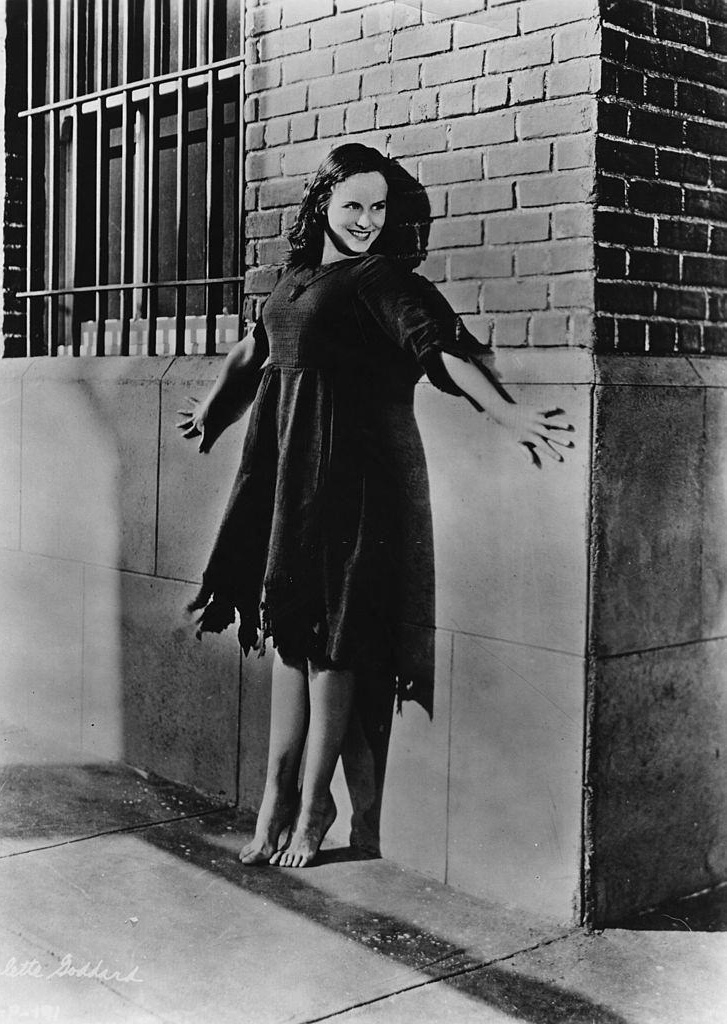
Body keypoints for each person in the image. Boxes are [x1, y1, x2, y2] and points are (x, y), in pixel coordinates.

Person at [178, 143, 572, 869]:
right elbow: (253, 348)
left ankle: (310, 809)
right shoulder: (294, 279)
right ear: (322, 204)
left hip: (347, 480)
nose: (366, 220)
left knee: (330, 644)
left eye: (379, 207)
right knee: (290, 640)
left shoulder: (380, 280)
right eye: (353, 204)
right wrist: (213, 408)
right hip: (287, 476)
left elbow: (442, 352)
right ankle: (274, 799)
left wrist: (508, 415)